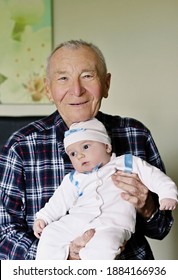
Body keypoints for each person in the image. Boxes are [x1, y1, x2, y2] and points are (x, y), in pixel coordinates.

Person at [0, 39, 174, 260]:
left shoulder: (135, 134)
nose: (76, 90)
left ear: (107, 84)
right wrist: (65, 255)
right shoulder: (21, 146)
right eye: (63, 78)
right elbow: (3, 235)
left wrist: (148, 207)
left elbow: (162, 228)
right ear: (48, 89)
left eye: (87, 76)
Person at [33, 118, 177, 260]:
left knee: (106, 245)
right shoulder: (74, 178)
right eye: (73, 154)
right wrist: (44, 217)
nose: (80, 155)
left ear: (107, 146)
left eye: (86, 147)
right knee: (51, 233)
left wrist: (167, 193)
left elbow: (153, 176)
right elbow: (59, 201)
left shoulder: (126, 163)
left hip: (113, 224)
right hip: (78, 220)